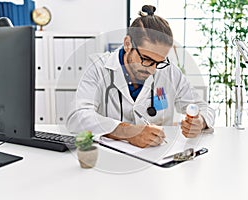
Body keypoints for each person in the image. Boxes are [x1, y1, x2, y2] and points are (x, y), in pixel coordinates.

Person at [66, 5, 215, 148]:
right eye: (146, 59)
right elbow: (77, 117)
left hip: (157, 158)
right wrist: (129, 132)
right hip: (110, 157)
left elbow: (204, 108)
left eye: (159, 62)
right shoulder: (98, 68)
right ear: (127, 44)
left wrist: (199, 122)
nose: (152, 69)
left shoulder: (169, 72)